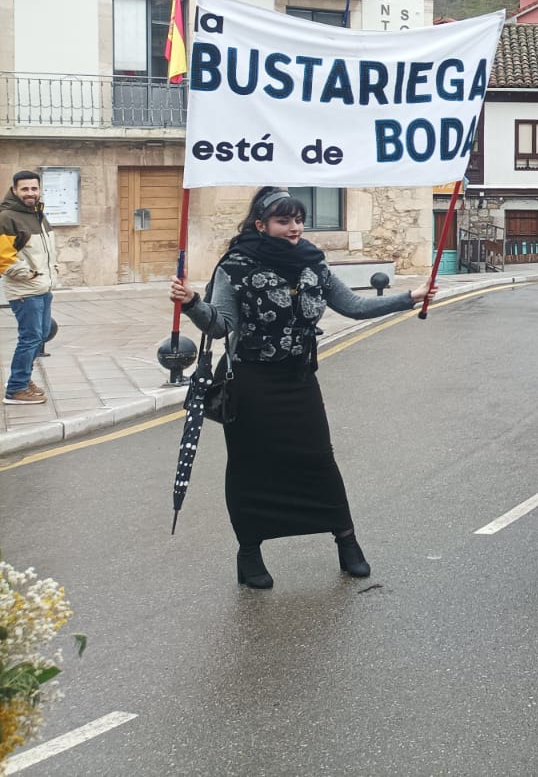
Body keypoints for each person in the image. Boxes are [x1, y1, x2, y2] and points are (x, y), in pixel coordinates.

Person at [171, 187, 436, 589]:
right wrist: (192, 302)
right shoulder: (234, 267)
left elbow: (354, 306)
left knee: (319, 461)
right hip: (251, 383)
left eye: (298, 219)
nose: (294, 228)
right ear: (261, 225)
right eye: (284, 221)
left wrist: (408, 298)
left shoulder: (314, 264)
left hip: (298, 381)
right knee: (249, 468)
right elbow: (221, 326)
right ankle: (249, 552)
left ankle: (346, 541)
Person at [2, 170, 57, 407]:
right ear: (15, 190)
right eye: (25, 189)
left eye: (34, 188)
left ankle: (20, 377)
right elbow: (4, 258)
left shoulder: (38, 214)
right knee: (30, 337)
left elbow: (45, 249)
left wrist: (53, 268)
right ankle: (16, 388)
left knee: (41, 335)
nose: (30, 193)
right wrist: (30, 274)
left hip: (42, 287)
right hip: (26, 290)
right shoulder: (7, 217)